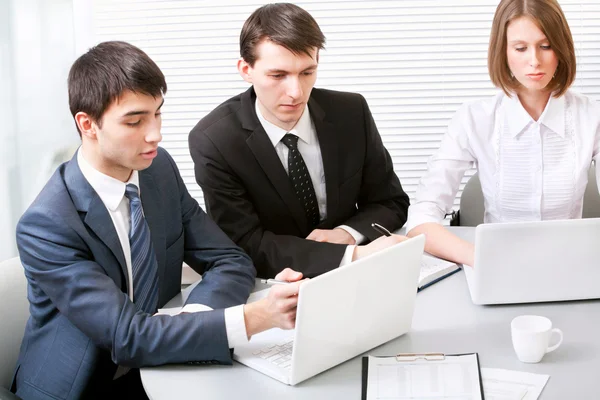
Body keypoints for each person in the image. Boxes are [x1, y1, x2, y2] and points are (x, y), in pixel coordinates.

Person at [12, 41, 305, 400]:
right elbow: (127, 338)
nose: (155, 134)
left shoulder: (157, 169)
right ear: (87, 124)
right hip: (88, 386)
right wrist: (257, 317)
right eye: (135, 121)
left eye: (158, 114)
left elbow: (229, 259)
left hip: (164, 364)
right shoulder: (47, 224)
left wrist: (193, 321)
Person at [189, 3, 410, 278]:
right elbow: (244, 242)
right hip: (275, 284)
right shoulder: (215, 140)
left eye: (307, 72)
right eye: (278, 75)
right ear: (246, 69)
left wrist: (347, 234)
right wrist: (350, 256)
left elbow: (390, 202)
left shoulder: (351, 113)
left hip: (359, 277)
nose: (296, 92)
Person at [406, 0, 600, 266]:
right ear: (504, 51)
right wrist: (481, 259)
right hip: (495, 266)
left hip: (570, 265)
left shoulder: (591, 116)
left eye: (546, 46)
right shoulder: (474, 118)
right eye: (520, 48)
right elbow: (421, 217)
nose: (534, 61)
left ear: (561, 48)